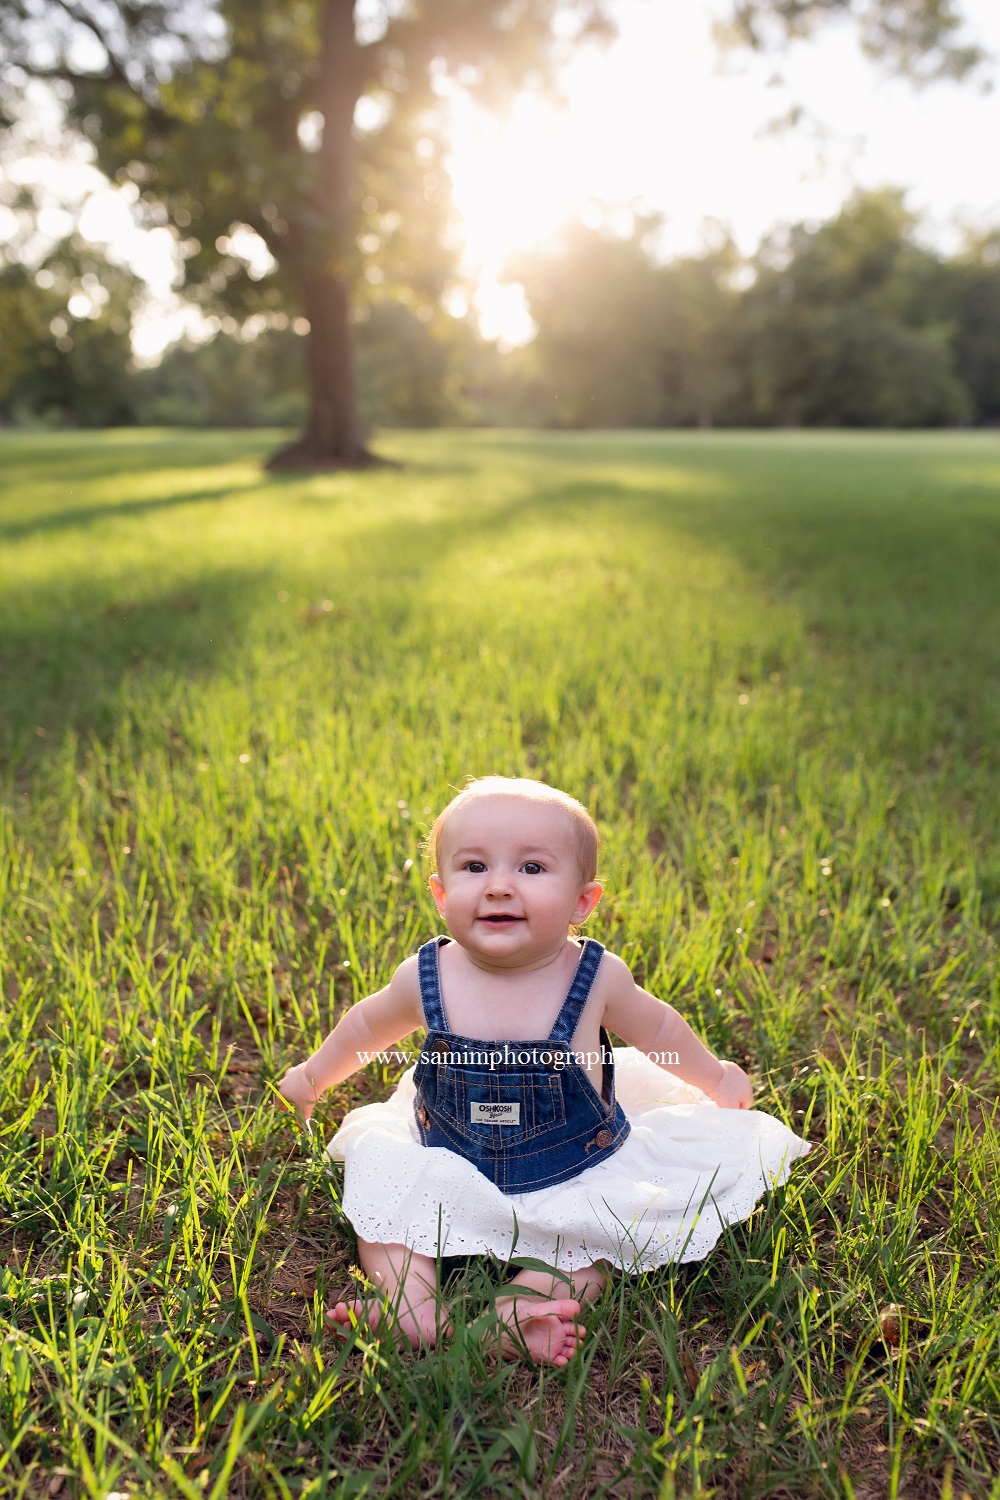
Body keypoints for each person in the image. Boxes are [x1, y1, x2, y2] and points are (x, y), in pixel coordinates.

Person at [278, 777, 810, 1366]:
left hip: (571, 1166)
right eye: (474, 866)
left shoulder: (596, 978)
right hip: (446, 1153)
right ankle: (414, 1305)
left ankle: (514, 1316)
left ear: (584, 901)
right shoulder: (426, 976)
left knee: (594, 1249)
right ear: (439, 893)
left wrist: (716, 1077)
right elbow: (364, 1029)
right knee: (382, 1193)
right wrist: (311, 1076)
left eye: (532, 869)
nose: (500, 886)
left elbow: (658, 1033)